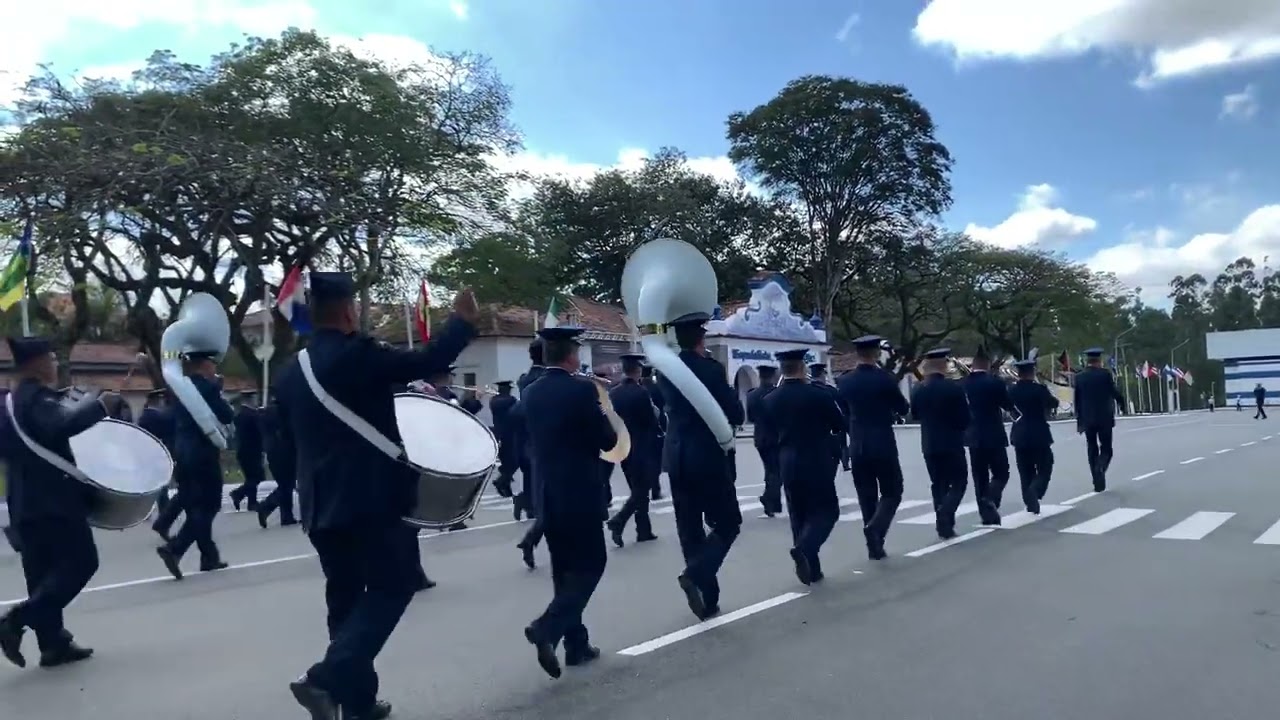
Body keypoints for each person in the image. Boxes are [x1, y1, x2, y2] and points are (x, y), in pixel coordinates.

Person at [278, 272, 478, 720]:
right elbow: (430, 361)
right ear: (349, 311)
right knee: (394, 584)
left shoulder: (291, 374)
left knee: (346, 601)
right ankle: (323, 679)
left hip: (319, 505)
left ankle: (358, 704)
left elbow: (282, 444)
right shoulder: (359, 356)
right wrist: (461, 323)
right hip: (372, 500)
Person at [0, 336, 120, 668]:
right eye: (52, 358)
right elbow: (62, 425)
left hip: (23, 504)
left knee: (41, 574)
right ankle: (17, 619)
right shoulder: (35, 399)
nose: (55, 364)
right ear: (37, 363)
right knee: (82, 563)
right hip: (54, 502)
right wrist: (100, 407)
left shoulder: (6, 405)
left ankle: (53, 644)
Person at [521, 326, 617, 678]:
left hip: (547, 494)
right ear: (570, 355)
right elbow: (607, 441)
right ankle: (547, 627)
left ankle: (576, 644)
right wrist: (602, 408)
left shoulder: (530, 392)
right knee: (592, 564)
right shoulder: (580, 391)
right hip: (580, 491)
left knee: (563, 571)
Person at [658, 312, 745, 621]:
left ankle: (708, 599)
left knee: (690, 528)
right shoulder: (710, 369)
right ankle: (696, 575)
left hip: (676, 456)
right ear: (701, 338)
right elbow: (735, 413)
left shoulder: (665, 370)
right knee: (728, 523)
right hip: (706, 455)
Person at [765, 349, 845, 585]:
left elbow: (768, 434)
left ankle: (812, 569)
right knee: (827, 511)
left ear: (782, 370)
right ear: (803, 369)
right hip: (816, 458)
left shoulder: (770, 400)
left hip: (787, 460)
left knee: (798, 514)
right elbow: (838, 424)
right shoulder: (819, 395)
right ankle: (805, 549)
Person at [155, 348, 236, 580]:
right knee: (209, 506)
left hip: (183, 452)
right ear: (204, 365)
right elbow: (226, 415)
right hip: (202, 453)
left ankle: (208, 557)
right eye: (212, 364)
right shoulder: (208, 387)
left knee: (194, 506)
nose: (215, 368)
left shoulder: (181, 388)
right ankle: (175, 548)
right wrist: (218, 390)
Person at [836, 335, 909, 560]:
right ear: (877, 353)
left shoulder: (845, 381)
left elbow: (842, 410)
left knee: (866, 496)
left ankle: (874, 546)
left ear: (857, 354)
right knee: (892, 491)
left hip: (857, 444)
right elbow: (903, 408)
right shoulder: (884, 379)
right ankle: (877, 528)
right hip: (882, 443)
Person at [910, 348, 971, 540]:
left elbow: (915, 415)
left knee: (938, 484)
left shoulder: (918, 389)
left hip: (929, 443)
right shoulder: (953, 388)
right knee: (959, 482)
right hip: (952, 443)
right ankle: (946, 513)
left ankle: (944, 526)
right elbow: (965, 418)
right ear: (942, 365)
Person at [605, 354, 661, 546]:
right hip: (641, 446)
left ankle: (643, 530)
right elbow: (650, 421)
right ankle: (618, 521)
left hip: (623, 447)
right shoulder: (641, 392)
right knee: (642, 489)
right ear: (637, 371)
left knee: (637, 489)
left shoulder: (614, 392)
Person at [962, 346, 1013, 524]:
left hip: (972, 436)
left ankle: (986, 515)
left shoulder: (963, 384)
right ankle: (990, 498)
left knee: (979, 476)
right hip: (994, 434)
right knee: (1002, 473)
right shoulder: (995, 383)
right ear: (988, 364)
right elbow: (1007, 405)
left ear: (974, 364)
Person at [512, 340, 547, 568]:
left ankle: (530, 537)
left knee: (544, 496)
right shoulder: (543, 381)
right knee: (553, 501)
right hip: (549, 445)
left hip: (530, 443)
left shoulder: (524, 379)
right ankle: (530, 538)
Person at [1008, 359, 1058, 513]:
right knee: (1045, 466)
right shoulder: (1040, 389)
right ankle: (1035, 490)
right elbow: (1054, 403)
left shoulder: (1011, 391)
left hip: (1019, 434)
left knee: (1025, 470)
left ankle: (1030, 503)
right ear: (1032, 372)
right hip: (1039, 434)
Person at [1073, 348, 1125, 492]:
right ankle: (1101, 466)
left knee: (1091, 448)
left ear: (1087, 361)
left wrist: (1079, 422)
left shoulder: (1079, 377)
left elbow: (1077, 401)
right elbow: (1113, 392)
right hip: (1104, 418)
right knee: (1106, 448)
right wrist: (1122, 402)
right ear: (1099, 361)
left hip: (1087, 419)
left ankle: (1097, 482)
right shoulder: (1105, 375)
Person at [256, 394, 298, 528]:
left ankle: (286, 516)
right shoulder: (282, 412)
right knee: (287, 485)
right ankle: (266, 506)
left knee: (285, 484)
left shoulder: (266, 412)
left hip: (272, 451)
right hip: (284, 451)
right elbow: (289, 431)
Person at [747, 364, 782, 516]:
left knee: (770, 470)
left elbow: (751, 417)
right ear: (772, 376)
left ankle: (774, 504)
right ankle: (768, 499)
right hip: (776, 437)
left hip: (760, 437)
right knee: (777, 472)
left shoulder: (752, 395)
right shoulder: (777, 393)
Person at [809, 362, 848, 473]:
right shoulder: (830, 391)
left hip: (808, 437)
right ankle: (845, 463)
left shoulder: (804, 390)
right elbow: (840, 410)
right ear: (822, 375)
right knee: (841, 447)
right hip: (829, 434)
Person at [229, 391, 265, 511]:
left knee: (251, 477)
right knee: (257, 476)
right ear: (249, 400)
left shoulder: (240, 415)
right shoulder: (252, 415)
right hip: (252, 450)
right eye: (254, 398)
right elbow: (259, 433)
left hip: (243, 450)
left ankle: (252, 502)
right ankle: (238, 494)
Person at [488, 381, 517, 498]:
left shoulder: (493, 401)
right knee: (513, 461)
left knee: (506, 460)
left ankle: (505, 483)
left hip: (499, 433)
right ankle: (502, 481)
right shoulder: (511, 400)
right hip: (511, 433)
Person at [642, 366, 666, 500]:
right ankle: (655, 490)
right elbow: (663, 405)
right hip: (656, 429)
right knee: (655, 461)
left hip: (639, 431)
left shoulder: (639, 387)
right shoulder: (656, 388)